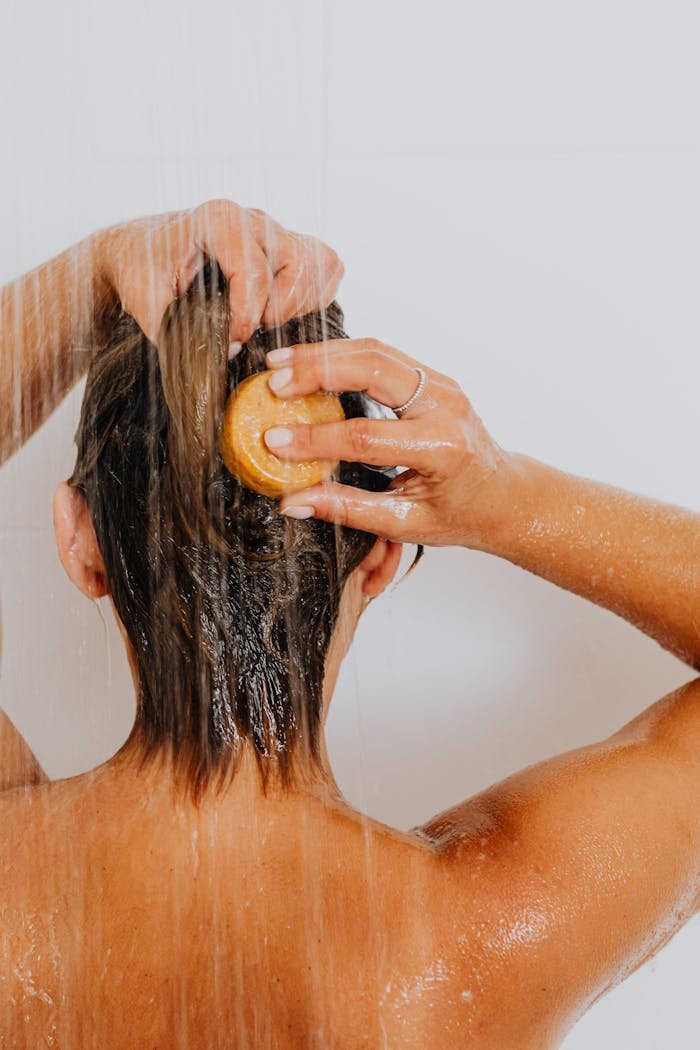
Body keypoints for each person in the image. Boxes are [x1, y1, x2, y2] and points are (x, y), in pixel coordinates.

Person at [0, 199, 698, 1049]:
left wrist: (98, 269)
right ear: (378, 558)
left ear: (79, 547)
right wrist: (507, 499)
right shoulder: (474, 940)